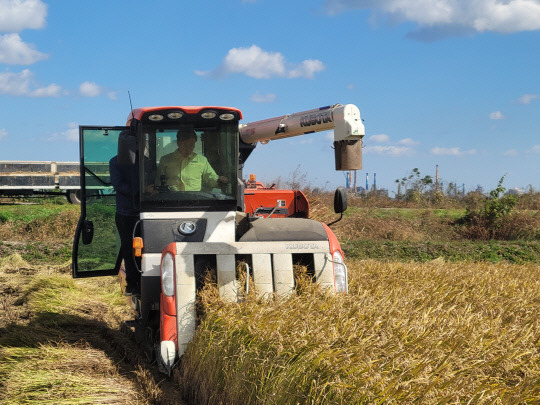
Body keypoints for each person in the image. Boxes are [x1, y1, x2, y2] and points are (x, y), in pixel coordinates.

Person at [110, 147, 140, 296]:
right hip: (126, 213)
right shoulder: (115, 162)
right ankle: (132, 284)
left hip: (145, 212)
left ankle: (143, 280)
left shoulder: (146, 161)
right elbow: (118, 185)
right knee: (129, 249)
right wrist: (140, 189)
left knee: (145, 250)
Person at [154, 129, 228, 191]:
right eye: (185, 145)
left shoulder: (202, 160)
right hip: (172, 200)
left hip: (194, 201)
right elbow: (159, 183)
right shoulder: (165, 160)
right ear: (178, 143)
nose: (188, 149)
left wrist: (219, 181)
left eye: (192, 145)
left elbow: (210, 177)